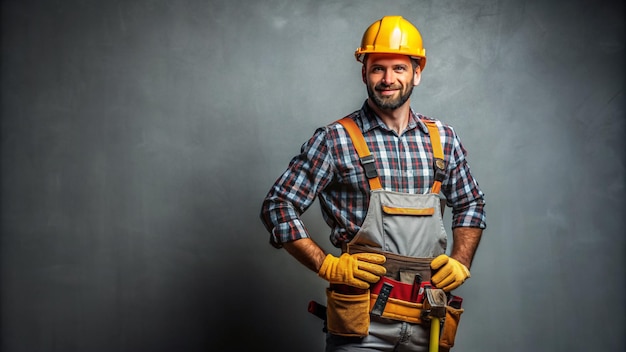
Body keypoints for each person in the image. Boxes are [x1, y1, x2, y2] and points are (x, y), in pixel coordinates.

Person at [260, 16, 486, 352]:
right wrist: (326, 265)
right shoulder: (335, 139)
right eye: (378, 68)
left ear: (417, 73)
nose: (388, 78)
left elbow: (471, 204)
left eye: (399, 67)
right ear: (364, 73)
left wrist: (461, 261)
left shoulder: (443, 139)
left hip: (429, 320)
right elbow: (278, 205)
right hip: (361, 325)